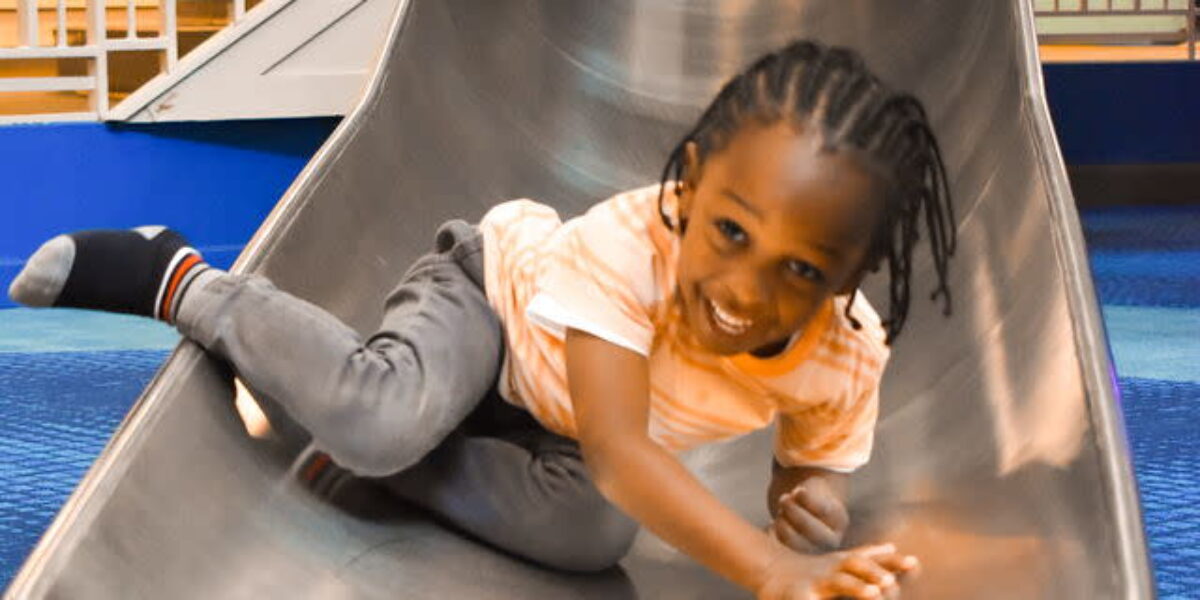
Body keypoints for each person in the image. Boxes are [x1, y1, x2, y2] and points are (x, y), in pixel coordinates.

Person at [9, 40, 954, 599]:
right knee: (384, 414)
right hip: (494, 310)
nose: (746, 290)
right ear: (692, 184)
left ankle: (363, 444)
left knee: (595, 540)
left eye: (800, 269)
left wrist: (808, 505)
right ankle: (183, 280)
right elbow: (626, 454)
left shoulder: (846, 356)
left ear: (852, 275)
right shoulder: (635, 246)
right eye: (731, 232)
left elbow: (807, 460)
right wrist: (771, 575)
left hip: (558, 428)